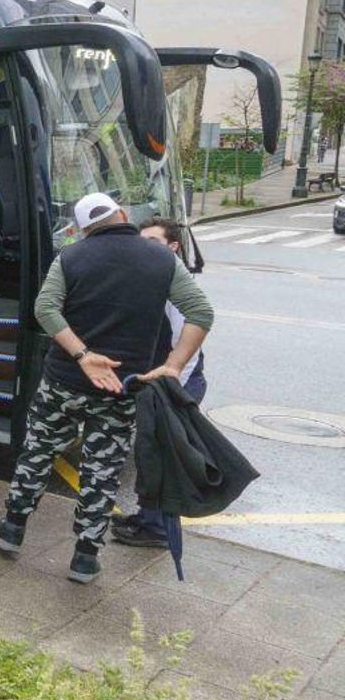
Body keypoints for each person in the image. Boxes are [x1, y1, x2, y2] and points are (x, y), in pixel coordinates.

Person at [0, 194, 213, 584]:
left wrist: (82, 354)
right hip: (123, 388)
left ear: (81, 228)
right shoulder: (162, 260)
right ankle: (85, 557)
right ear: (123, 216)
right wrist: (173, 367)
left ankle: (12, 529)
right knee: (102, 469)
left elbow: (45, 310)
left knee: (39, 452)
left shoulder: (71, 257)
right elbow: (201, 313)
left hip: (63, 381)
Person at [112, 217, 209, 549]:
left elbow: (189, 340)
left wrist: (172, 385)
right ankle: (148, 517)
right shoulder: (157, 275)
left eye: (152, 242)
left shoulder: (175, 283)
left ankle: (158, 528)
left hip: (174, 383)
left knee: (163, 457)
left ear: (173, 247)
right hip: (162, 382)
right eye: (141, 242)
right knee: (151, 453)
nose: (145, 249)